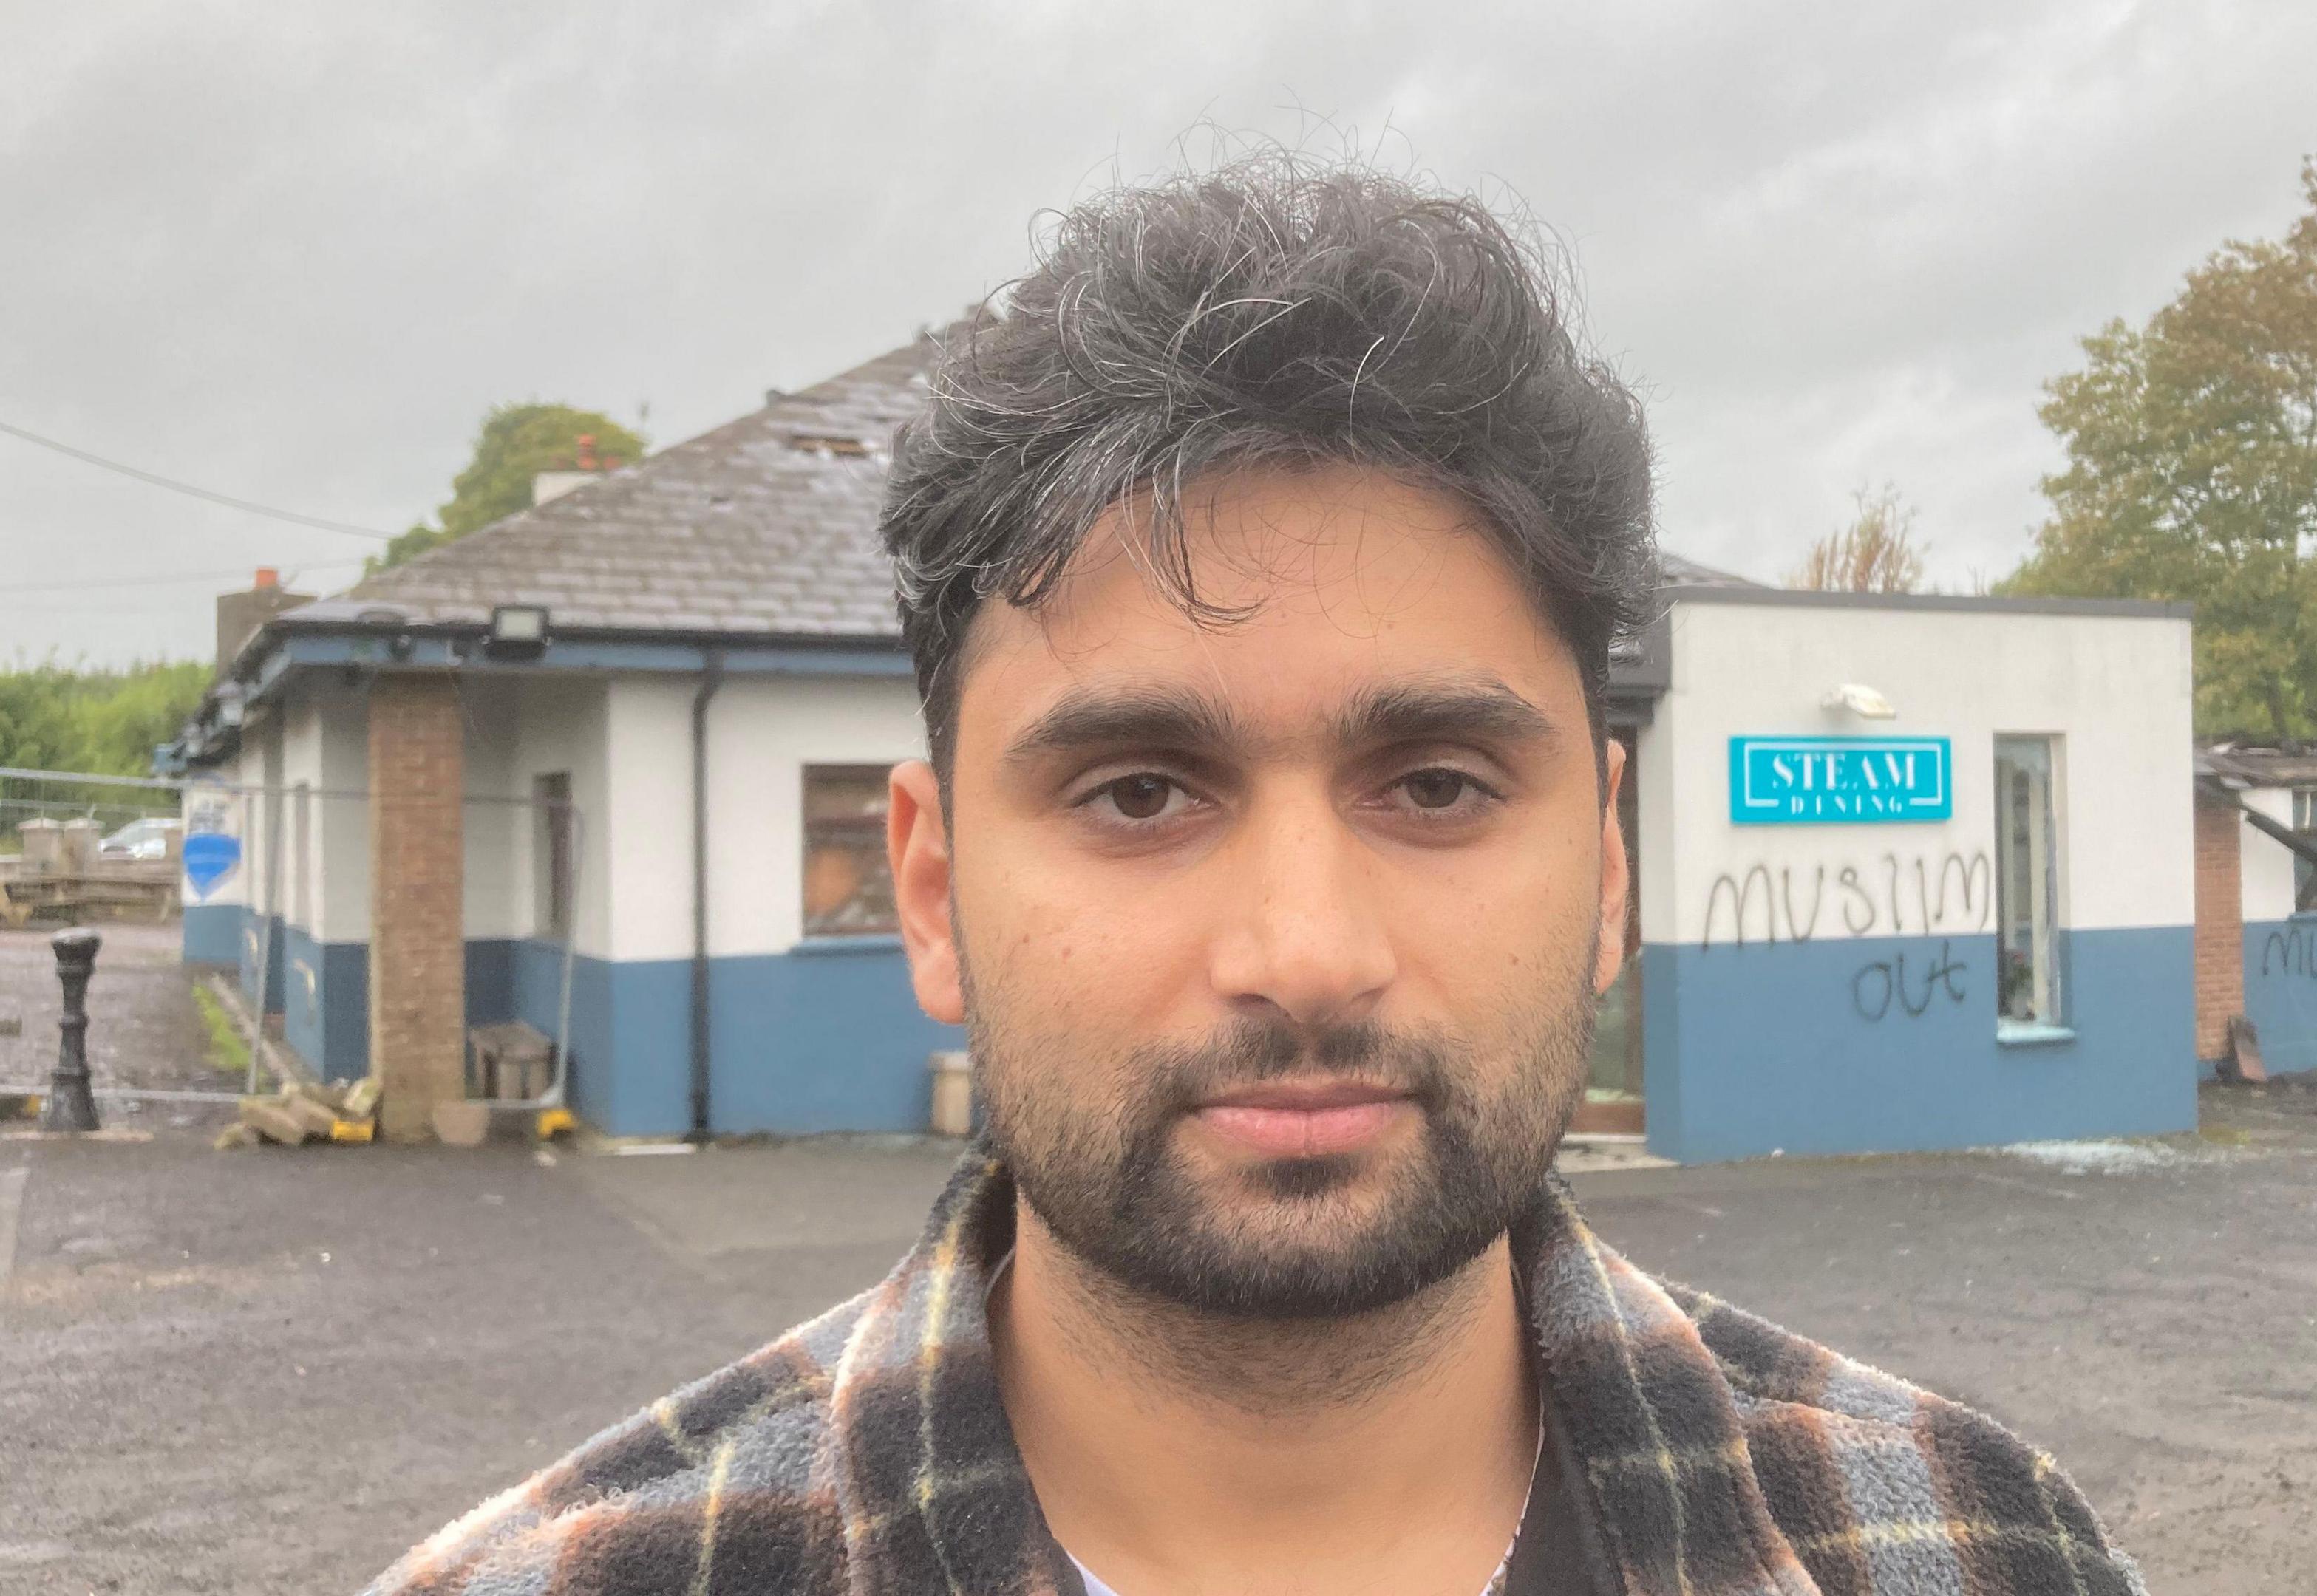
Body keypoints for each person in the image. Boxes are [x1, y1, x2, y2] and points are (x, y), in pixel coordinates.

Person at [367, 155, 2144, 1596]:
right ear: (929, 890)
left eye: (1437, 783)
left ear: (1607, 866)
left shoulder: (1981, 1551)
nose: (1306, 953)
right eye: (1140, 791)